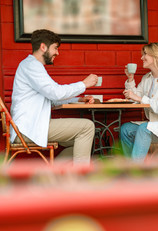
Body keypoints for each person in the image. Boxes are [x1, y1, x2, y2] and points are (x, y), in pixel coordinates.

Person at [10, 29, 97, 164]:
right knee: (87, 127)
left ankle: (51, 177)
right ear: (43, 47)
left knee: (78, 140)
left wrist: (78, 99)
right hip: (28, 129)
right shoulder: (32, 66)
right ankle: (81, 178)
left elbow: (51, 98)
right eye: (55, 48)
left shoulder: (31, 66)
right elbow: (55, 92)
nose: (57, 52)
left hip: (31, 126)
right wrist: (84, 84)